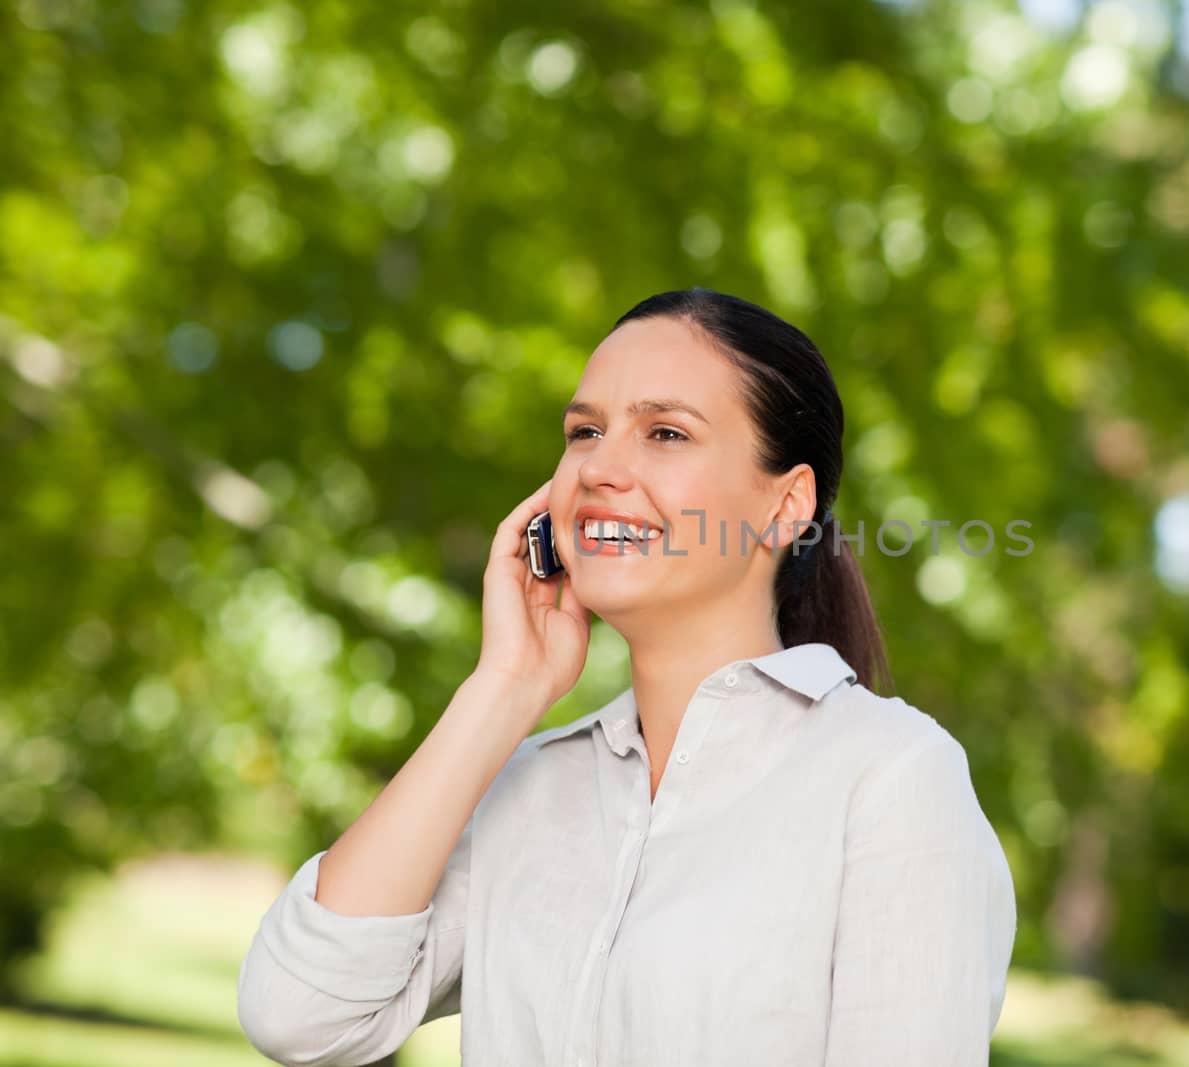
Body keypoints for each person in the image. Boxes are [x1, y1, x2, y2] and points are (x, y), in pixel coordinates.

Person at [236, 287, 1017, 1066]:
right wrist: (503, 686)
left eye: (666, 432)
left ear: (787, 504)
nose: (601, 467)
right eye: (584, 431)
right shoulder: (530, 789)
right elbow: (297, 1014)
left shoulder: (891, 778)